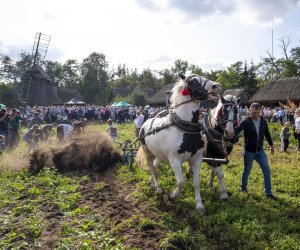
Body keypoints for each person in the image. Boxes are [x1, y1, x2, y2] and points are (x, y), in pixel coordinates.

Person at [233, 103, 276, 200]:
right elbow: (237, 129)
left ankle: (268, 193)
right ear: (249, 111)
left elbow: (267, 134)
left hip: (260, 151)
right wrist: (231, 133)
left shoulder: (263, 122)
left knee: (266, 170)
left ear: (260, 112)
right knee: (247, 171)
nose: (254, 114)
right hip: (249, 151)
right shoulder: (246, 122)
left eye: (256, 113)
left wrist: (271, 145)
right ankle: (243, 189)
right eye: (252, 112)